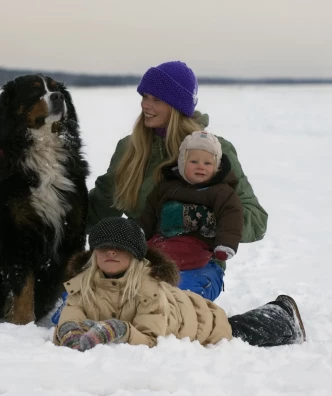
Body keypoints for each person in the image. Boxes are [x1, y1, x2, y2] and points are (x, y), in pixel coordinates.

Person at [86, 60, 267, 299]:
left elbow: (256, 218)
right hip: (142, 260)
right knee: (78, 299)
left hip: (197, 265)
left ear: (177, 105)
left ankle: (256, 324)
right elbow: (99, 210)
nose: (146, 106)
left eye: (156, 99)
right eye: (144, 96)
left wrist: (200, 219)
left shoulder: (213, 150)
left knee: (159, 302)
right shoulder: (128, 149)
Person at [54, 217, 306, 351]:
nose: (111, 253)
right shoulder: (82, 285)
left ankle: (282, 316)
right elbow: (70, 319)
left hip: (194, 320)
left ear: (135, 256)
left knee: (232, 332)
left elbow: (151, 339)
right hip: (176, 312)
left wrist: (120, 330)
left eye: (120, 249)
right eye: (104, 249)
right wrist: (68, 333)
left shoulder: (148, 288)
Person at [135, 131, 243, 300]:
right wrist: (137, 232)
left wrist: (225, 244)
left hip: (197, 247)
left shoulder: (222, 192)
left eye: (208, 163)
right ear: (182, 163)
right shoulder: (167, 187)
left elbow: (231, 216)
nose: (201, 166)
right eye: (194, 161)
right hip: (163, 241)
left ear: (217, 166)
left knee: (173, 280)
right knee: (143, 262)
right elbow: (149, 213)